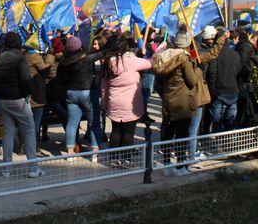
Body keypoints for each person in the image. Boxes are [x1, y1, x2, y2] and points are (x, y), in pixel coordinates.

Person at [0, 32, 44, 176]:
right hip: (19, 100)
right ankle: (33, 168)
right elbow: (26, 79)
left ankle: (6, 169)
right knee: (29, 131)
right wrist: (29, 92)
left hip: (3, 100)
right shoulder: (20, 59)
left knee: (8, 133)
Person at [152, 26, 198, 174]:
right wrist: (197, 70)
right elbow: (192, 81)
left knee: (167, 133)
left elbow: (158, 83)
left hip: (167, 100)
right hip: (182, 101)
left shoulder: (163, 56)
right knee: (182, 135)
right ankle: (180, 165)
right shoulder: (184, 58)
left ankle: (166, 164)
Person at [102, 34, 152, 148]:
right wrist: (156, 52)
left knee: (115, 131)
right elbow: (150, 63)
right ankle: (126, 159)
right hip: (130, 104)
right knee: (128, 133)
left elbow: (104, 88)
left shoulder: (108, 63)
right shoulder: (130, 61)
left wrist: (105, 106)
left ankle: (114, 158)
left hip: (114, 102)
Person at [58, 35, 105, 154]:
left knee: (72, 123)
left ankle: (70, 151)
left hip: (71, 93)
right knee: (94, 123)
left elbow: (60, 78)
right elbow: (101, 54)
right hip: (86, 92)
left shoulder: (63, 61)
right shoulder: (86, 58)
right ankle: (94, 150)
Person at [205, 33, 241, 132]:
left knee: (217, 124)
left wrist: (213, 89)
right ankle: (230, 145)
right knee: (230, 123)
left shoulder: (215, 55)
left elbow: (212, 72)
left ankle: (218, 146)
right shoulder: (235, 54)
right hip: (232, 91)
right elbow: (238, 71)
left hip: (219, 92)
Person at [26, 41, 54, 145]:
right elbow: (46, 70)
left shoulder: (23, 55)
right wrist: (50, 56)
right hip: (36, 94)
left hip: (27, 94)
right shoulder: (34, 57)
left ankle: (25, 145)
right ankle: (33, 146)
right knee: (35, 122)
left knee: (28, 122)